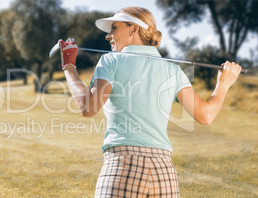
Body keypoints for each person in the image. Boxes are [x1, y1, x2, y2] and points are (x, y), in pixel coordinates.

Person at [59, 6, 242, 198]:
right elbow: (206, 115)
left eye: (114, 28)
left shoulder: (111, 61)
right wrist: (223, 84)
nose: (108, 35)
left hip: (123, 166)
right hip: (164, 172)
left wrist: (69, 66)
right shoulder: (173, 70)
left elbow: (88, 107)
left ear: (133, 29)